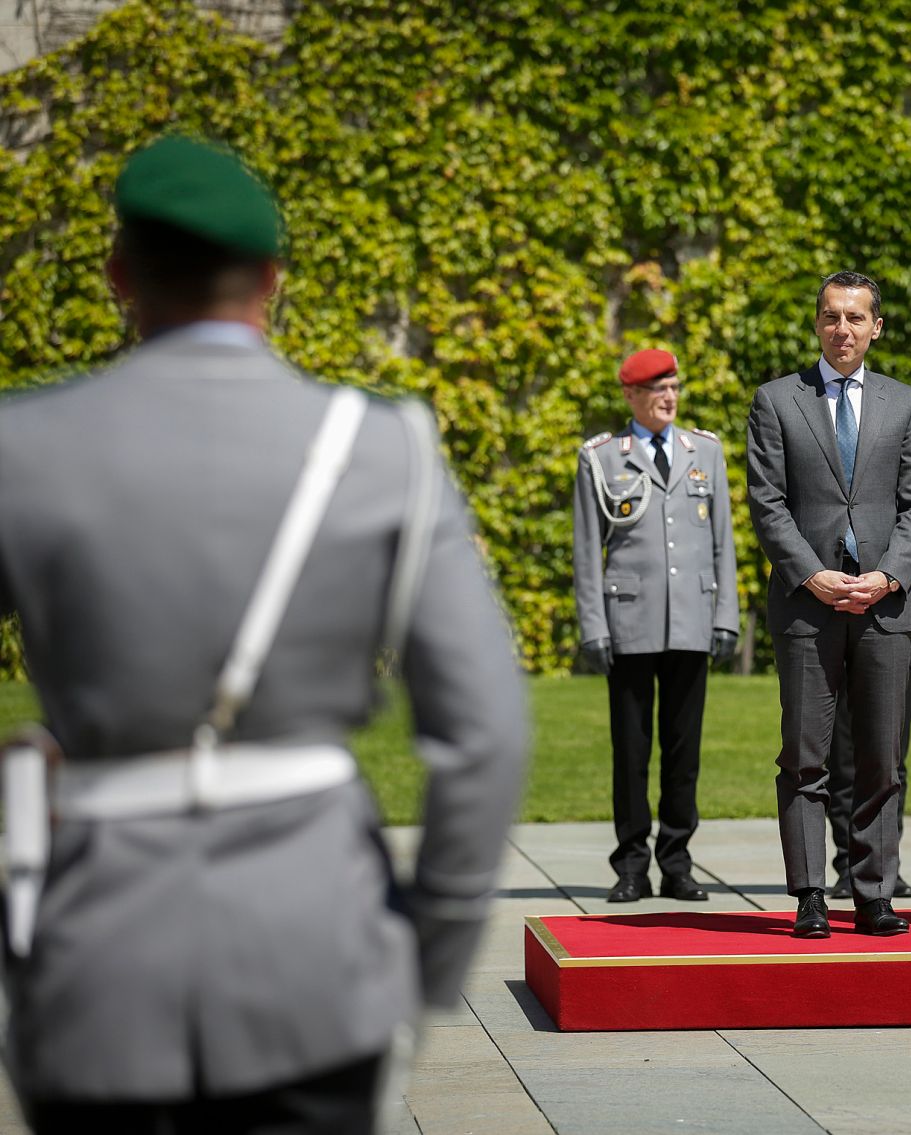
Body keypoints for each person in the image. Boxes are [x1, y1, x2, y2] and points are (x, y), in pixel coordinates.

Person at [0, 135, 529, 1132]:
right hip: (316, 962)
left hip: (98, 972)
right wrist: (431, 956)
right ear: (274, 279)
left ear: (120, 276)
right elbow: (486, 730)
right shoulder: (383, 449)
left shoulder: (23, 445)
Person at [745, 270, 911, 938]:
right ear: (817, 323)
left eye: (856, 318)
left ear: (876, 326)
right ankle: (809, 895)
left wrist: (886, 576)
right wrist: (812, 574)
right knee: (805, 753)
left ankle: (874, 890)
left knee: (882, 753)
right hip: (807, 604)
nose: (843, 329)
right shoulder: (776, 401)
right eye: (831, 317)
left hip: (885, 607)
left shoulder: (904, 404)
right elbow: (766, 502)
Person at [573, 347, 739, 903]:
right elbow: (586, 549)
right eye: (657, 388)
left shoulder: (705, 452)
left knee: (683, 750)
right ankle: (631, 864)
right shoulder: (601, 457)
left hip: (692, 619)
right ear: (630, 396)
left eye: (674, 386)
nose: (669, 397)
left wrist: (726, 616)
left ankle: (677, 860)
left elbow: (722, 543)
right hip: (629, 622)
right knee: (631, 750)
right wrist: (593, 626)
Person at [826, 528, 911, 900]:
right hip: (837, 636)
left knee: (891, 760)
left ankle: (883, 865)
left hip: (899, 641)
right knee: (843, 759)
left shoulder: (907, 497)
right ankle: (849, 863)